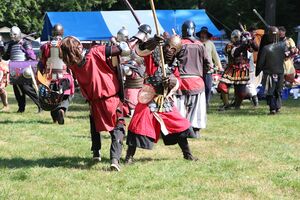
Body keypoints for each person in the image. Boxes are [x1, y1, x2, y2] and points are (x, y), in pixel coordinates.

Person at [60, 24, 150, 171]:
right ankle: (115, 159)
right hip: (110, 99)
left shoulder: (74, 65)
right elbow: (123, 49)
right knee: (118, 129)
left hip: (93, 102)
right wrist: (140, 35)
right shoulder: (95, 53)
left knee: (95, 125)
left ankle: (96, 153)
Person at [125, 34, 198, 164]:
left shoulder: (174, 64)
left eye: (174, 49)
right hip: (149, 97)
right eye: (168, 47)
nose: (170, 51)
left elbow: (178, 81)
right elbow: (140, 50)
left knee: (179, 124)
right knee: (138, 124)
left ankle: (187, 154)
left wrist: (171, 82)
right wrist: (153, 42)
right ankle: (129, 157)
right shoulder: (153, 56)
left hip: (164, 99)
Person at [175, 20, 212, 135]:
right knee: (196, 107)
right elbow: (208, 64)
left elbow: (170, 60)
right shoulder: (200, 45)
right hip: (197, 81)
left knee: (180, 106)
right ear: (194, 30)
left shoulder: (179, 44)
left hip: (182, 81)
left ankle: (181, 128)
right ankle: (195, 130)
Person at [38, 24, 75, 124]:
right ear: (62, 32)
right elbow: (71, 61)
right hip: (64, 76)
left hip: (50, 77)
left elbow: (41, 63)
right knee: (67, 95)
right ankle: (62, 109)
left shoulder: (45, 46)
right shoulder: (66, 45)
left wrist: (40, 75)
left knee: (51, 97)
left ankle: (55, 117)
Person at [2, 26, 41, 113]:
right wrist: (2, 49)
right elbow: (6, 57)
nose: (12, 36)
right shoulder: (11, 44)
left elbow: (32, 57)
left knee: (27, 89)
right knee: (17, 90)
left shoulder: (25, 43)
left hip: (24, 70)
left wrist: (27, 66)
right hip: (14, 69)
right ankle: (21, 108)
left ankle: (40, 105)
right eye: (11, 35)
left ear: (18, 34)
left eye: (14, 34)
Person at [217, 29, 257, 111]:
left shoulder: (245, 44)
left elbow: (256, 48)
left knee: (241, 93)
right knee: (222, 86)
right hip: (231, 68)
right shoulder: (229, 45)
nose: (235, 39)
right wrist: (245, 44)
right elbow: (235, 53)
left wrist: (250, 40)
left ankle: (237, 106)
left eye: (236, 37)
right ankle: (226, 105)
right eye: (234, 37)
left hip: (242, 69)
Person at [256, 26, 286, 115]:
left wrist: (259, 69)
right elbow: (287, 54)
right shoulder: (283, 45)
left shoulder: (266, 48)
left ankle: (272, 108)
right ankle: (278, 107)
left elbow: (261, 62)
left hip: (269, 73)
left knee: (270, 91)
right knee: (278, 90)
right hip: (280, 73)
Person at [196, 26, 222, 107]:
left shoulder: (211, 44)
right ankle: (199, 103)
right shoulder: (197, 43)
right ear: (200, 35)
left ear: (207, 35)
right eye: (202, 34)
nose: (203, 36)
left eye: (205, 34)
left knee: (208, 87)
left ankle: (207, 102)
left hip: (208, 69)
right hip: (198, 69)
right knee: (199, 87)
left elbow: (215, 56)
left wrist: (219, 66)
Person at [0, 37, 9, 112]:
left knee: (1, 87)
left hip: (1, 66)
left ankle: (6, 105)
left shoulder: (1, 44)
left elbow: (3, 52)